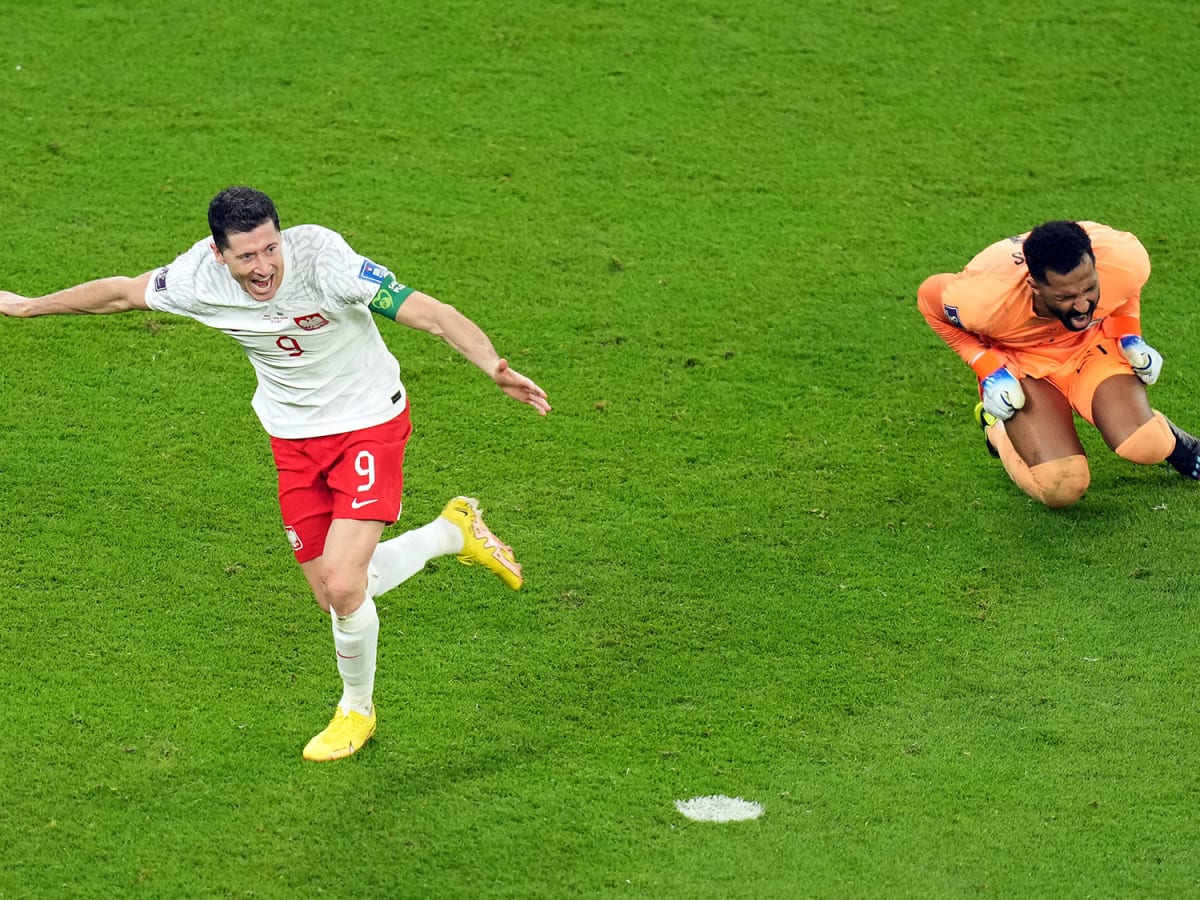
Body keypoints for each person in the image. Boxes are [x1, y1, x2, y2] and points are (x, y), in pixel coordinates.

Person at [0, 186, 551, 760]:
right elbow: (120, 295)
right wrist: (25, 305)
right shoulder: (195, 279)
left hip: (368, 423)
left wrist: (491, 365)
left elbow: (431, 314)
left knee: (343, 583)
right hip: (292, 439)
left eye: (270, 249)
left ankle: (355, 711)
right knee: (333, 595)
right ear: (220, 254)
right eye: (246, 256)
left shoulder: (326, 263)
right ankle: (451, 532)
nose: (263, 267)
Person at [918, 219, 1200, 508]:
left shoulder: (1122, 256)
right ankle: (996, 429)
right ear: (1034, 285)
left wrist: (1129, 335)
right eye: (1065, 296)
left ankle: (1178, 445)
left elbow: (1127, 287)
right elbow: (929, 302)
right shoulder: (982, 298)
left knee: (1145, 444)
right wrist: (988, 368)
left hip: (1090, 350)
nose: (1082, 305)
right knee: (1060, 486)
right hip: (1023, 365)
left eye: (1089, 288)